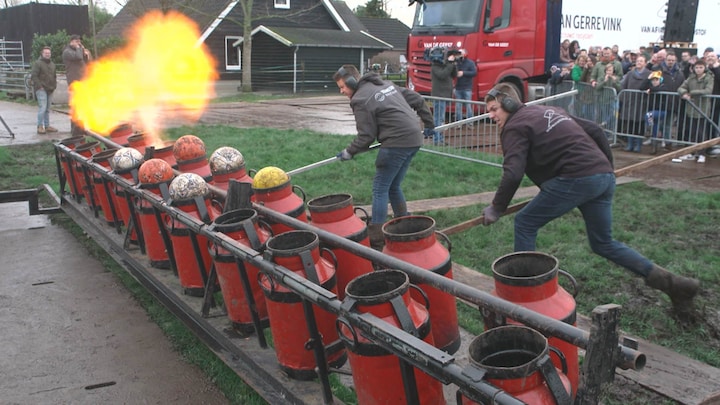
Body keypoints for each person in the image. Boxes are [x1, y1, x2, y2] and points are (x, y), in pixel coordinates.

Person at [480, 83, 700, 317]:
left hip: (575, 179)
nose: (491, 115)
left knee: (525, 223)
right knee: (603, 243)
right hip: (601, 179)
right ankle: (674, 284)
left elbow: (513, 172)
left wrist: (497, 207)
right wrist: (606, 168)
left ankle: (524, 297)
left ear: (510, 104)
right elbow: (594, 129)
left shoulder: (514, 126)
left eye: (494, 109)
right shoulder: (551, 110)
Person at [333, 65, 435, 249]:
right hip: (414, 139)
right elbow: (418, 99)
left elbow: (366, 136)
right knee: (393, 185)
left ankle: (377, 236)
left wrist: (350, 151)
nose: (341, 91)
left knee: (380, 188)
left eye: (342, 87)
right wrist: (429, 123)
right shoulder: (386, 84)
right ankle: (404, 223)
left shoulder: (360, 99)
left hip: (396, 143)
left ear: (352, 82)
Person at [677, 59, 714, 163]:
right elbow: (681, 87)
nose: (698, 70)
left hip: (703, 108)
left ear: (704, 68)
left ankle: (702, 154)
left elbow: (708, 90)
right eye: (696, 67)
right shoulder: (691, 77)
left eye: (700, 67)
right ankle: (691, 152)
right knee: (691, 132)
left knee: (701, 133)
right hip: (691, 108)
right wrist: (684, 93)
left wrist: (691, 93)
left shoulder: (709, 78)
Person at [618, 55, 650, 152]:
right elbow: (623, 85)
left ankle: (638, 145)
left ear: (645, 63)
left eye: (641, 61)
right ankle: (630, 144)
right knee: (629, 123)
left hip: (642, 102)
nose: (639, 63)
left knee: (639, 124)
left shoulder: (649, 74)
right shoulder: (630, 74)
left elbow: (656, 84)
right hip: (630, 101)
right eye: (637, 61)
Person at [62, 34, 92, 136]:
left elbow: (87, 62)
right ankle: (75, 130)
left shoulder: (78, 51)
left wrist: (87, 55)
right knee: (75, 107)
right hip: (74, 83)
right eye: (76, 41)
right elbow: (78, 57)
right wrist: (80, 49)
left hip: (83, 82)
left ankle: (82, 127)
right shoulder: (67, 52)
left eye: (79, 41)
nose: (79, 43)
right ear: (71, 42)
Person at [430, 47, 457, 145]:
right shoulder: (435, 66)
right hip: (439, 96)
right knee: (438, 118)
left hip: (445, 95)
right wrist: (449, 64)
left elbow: (454, 74)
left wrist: (454, 64)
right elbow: (443, 75)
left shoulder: (446, 65)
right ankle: (437, 140)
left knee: (441, 119)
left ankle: (440, 139)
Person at [30, 46, 57, 134]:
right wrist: (39, 86)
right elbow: (34, 76)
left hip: (50, 89)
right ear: (42, 54)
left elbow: (54, 76)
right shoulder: (38, 63)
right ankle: (40, 126)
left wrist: (54, 86)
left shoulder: (52, 64)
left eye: (49, 53)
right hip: (41, 89)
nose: (47, 54)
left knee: (47, 109)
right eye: (46, 53)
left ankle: (47, 125)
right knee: (43, 108)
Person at [454, 49, 477, 124]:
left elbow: (474, 72)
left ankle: (470, 122)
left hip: (467, 88)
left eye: (461, 53)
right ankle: (458, 123)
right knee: (458, 106)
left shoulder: (470, 63)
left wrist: (463, 73)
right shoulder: (456, 63)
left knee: (468, 106)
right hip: (458, 87)